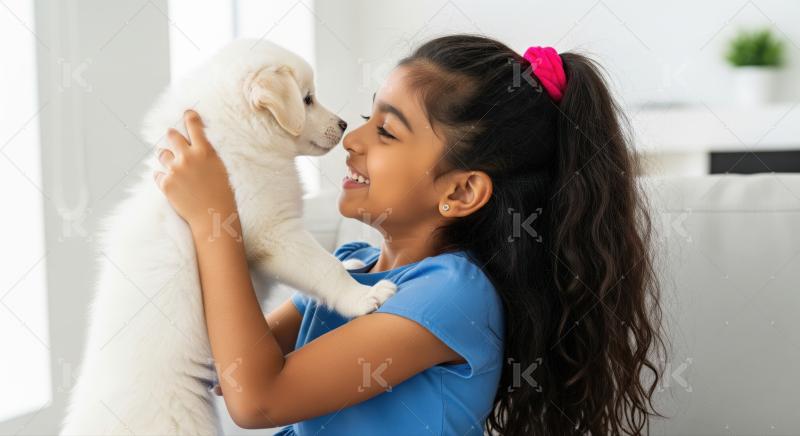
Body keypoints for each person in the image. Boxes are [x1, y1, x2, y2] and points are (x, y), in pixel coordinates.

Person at [154, 34, 666, 435]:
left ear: (462, 192)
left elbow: (257, 396)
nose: (350, 140)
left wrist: (214, 219)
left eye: (386, 131)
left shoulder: (450, 295)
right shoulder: (351, 267)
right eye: (365, 117)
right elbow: (233, 359)